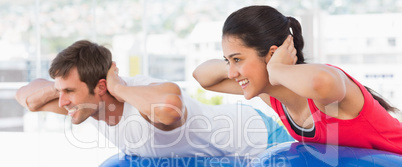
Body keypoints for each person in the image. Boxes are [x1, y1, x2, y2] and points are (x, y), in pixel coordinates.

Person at [16, 40, 293, 158]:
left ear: (101, 86)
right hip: (221, 161)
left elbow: (171, 111)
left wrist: (120, 88)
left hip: (257, 138)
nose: (62, 102)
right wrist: (62, 87)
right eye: (61, 92)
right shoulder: (84, 105)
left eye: (69, 92)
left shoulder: (142, 94)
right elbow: (27, 98)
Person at [193, 5, 402, 154]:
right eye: (228, 61)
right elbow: (202, 77)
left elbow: (321, 82)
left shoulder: (322, 91)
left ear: (271, 54)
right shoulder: (271, 93)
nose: (231, 73)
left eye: (238, 58)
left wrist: (275, 68)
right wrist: (242, 67)